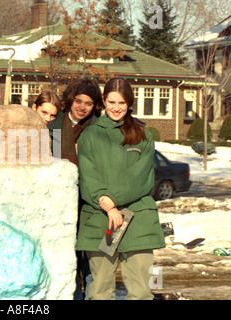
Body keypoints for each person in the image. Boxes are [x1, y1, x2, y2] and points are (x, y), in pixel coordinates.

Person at [76, 77, 165, 300]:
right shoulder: (89, 135)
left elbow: (140, 176)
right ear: (103, 101)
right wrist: (105, 203)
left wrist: (111, 199)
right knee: (100, 290)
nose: (117, 108)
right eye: (112, 102)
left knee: (141, 291)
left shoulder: (143, 135)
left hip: (137, 218)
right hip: (100, 219)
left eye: (122, 103)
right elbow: (88, 174)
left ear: (129, 104)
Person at [47, 78, 102, 300]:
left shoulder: (99, 129)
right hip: (57, 204)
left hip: (90, 203)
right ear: (70, 100)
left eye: (88, 103)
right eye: (78, 101)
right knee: (64, 263)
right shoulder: (54, 127)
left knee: (91, 263)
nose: (81, 107)